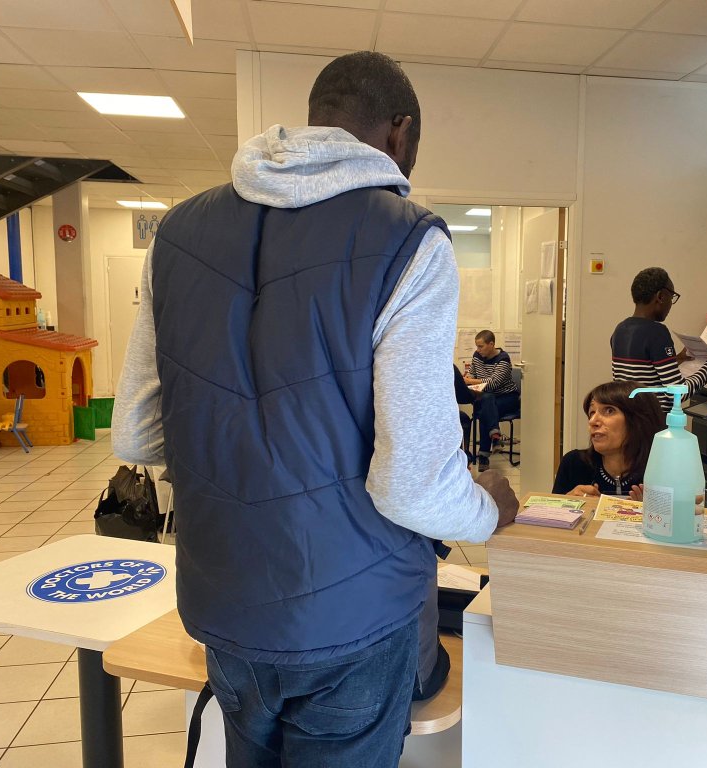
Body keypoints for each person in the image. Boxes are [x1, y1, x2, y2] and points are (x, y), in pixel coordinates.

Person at [112, 51, 518, 768]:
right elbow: (413, 484)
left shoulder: (175, 234)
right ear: (400, 132)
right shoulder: (408, 239)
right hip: (352, 625)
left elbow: (138, 431)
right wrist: (492, 510)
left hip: (225, 606)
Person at [611, 267, 707, 410]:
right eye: (672, 297)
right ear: (661, 296)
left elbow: (640, 372)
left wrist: (676, 360)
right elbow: (678, 394)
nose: (671, 304)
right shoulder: (657, 332)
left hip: (628, 419)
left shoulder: (620, 329)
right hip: (651, 423)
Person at [553, 382, 665, 499]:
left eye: (609, 411)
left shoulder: (662, 469)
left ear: (639, 421)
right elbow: (548, 514)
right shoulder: (574, 463)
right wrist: (566, 501)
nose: (592, 421)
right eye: (592, 412)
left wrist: (653, 511)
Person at [464, 330, 520, 470]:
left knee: (485, 408)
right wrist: (473, 381)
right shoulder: (477, 356)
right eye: (477, 346)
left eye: (481, 346)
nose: (478, 350)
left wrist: (471, 381)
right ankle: (494, 433)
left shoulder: (503, 359)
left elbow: (493, 384)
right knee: (487, 401)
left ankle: (484, 456)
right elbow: (472, 375)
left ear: (491, 344)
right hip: (487, 398)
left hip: (507, 398)